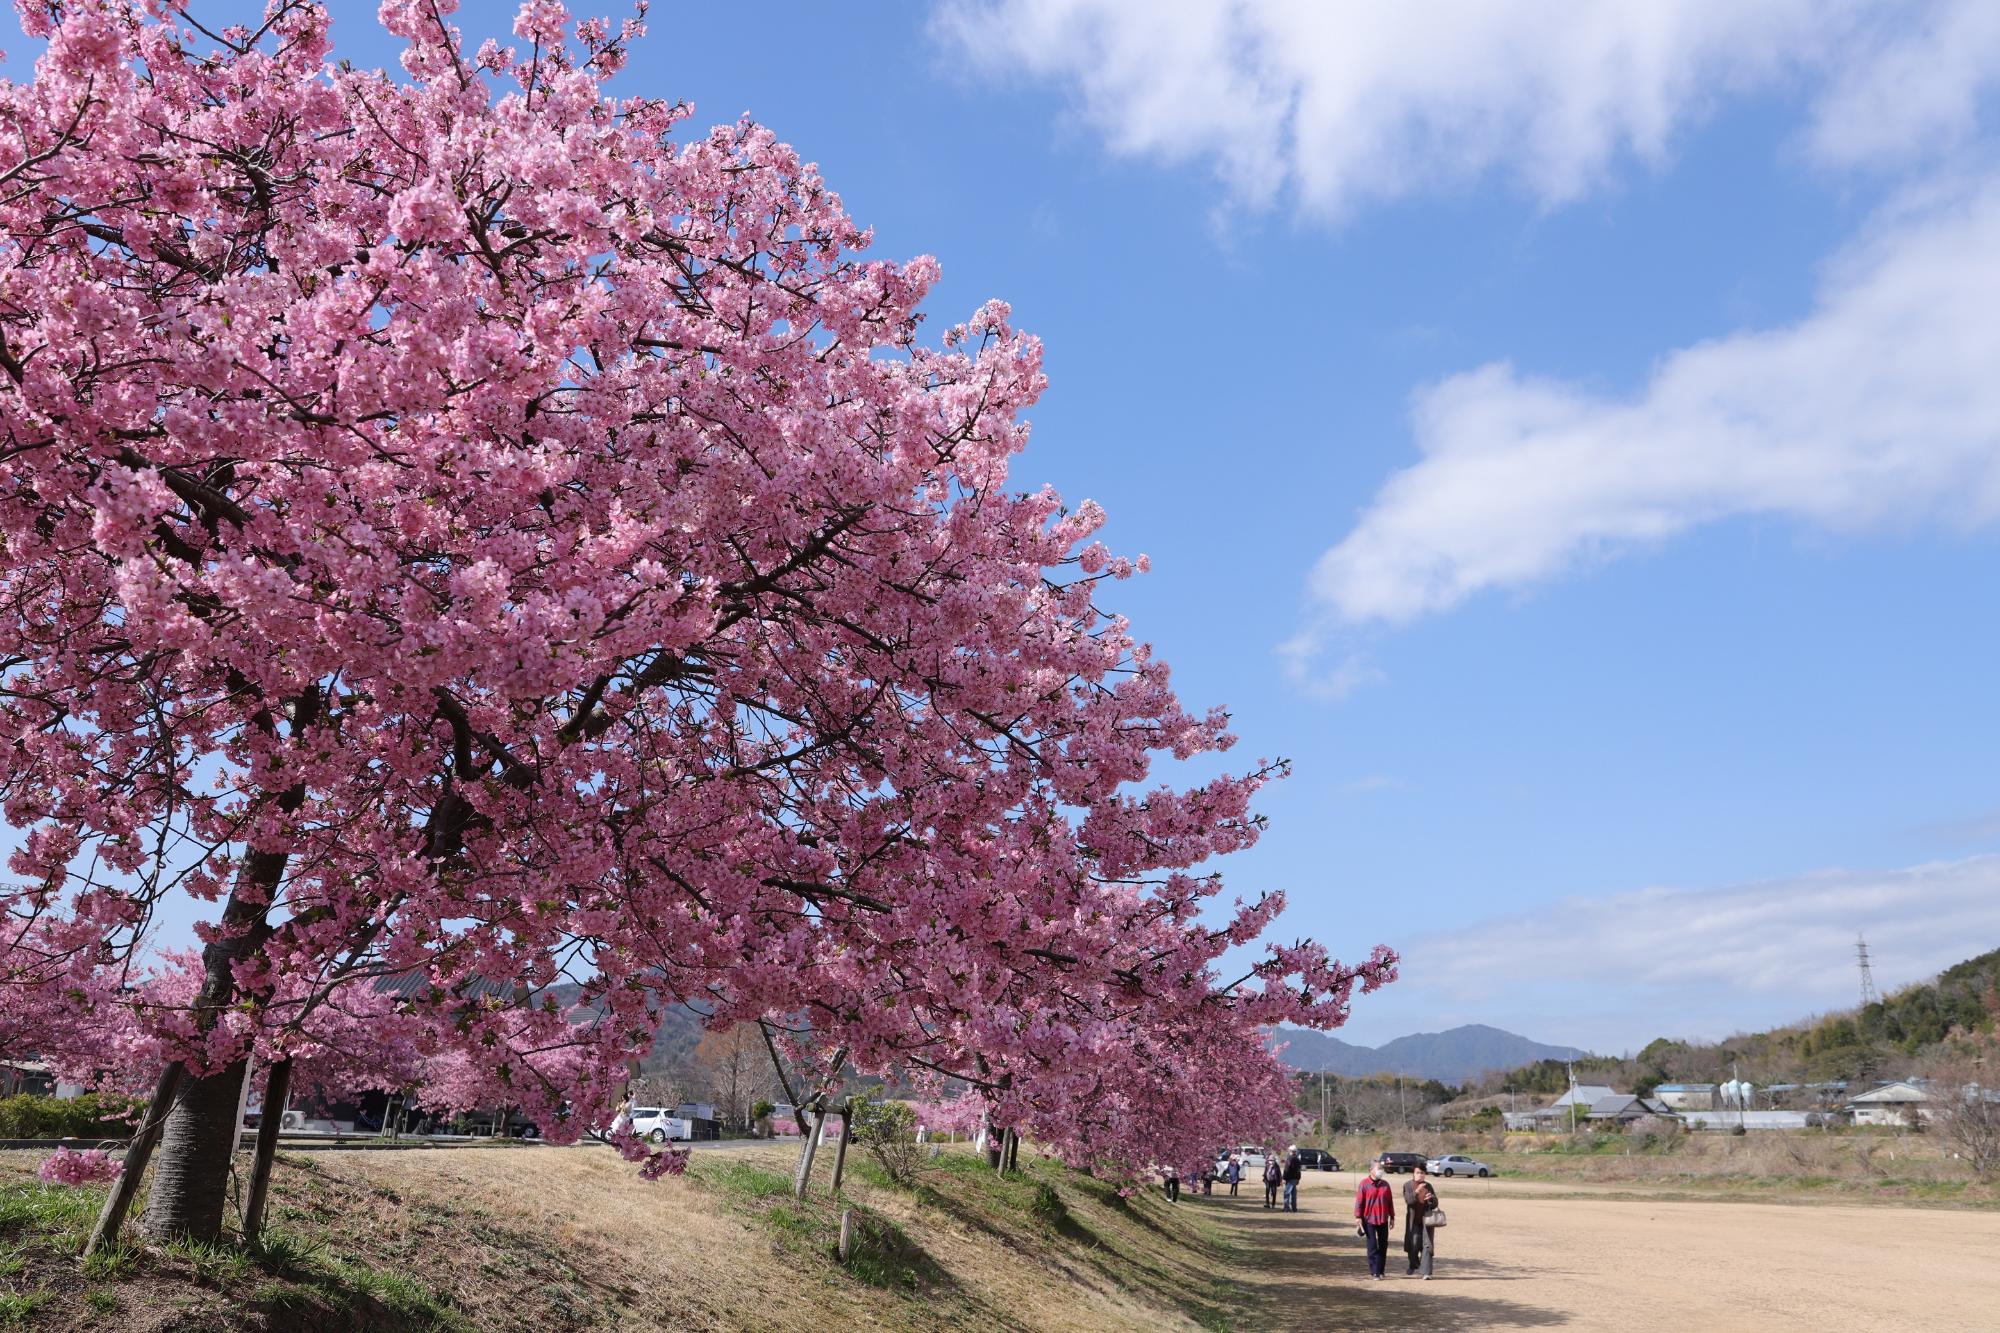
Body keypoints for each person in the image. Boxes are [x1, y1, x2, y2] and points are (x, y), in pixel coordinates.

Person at [1354, 1160, 1396, 1280]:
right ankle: (1374, 1272)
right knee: (1372, 1246)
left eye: (1381, 1168)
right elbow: (1359, 1202)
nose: (1380, 1171)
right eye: (1378, 1168)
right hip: (1369, 1219)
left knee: (1383, 1245)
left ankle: (1381, 1270)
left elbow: (1390, 1202)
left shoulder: (1385, 1185)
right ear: (1371, 1170)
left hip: (1383, 1218)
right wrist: (1358, 1217)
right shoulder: (1364, 1184)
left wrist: (1392, 1217)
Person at [1402, 1164, 1440, 1279]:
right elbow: (1409, 1200)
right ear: (1413, 1174)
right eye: (1418, 1172)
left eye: (1422, 1173)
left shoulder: (1429, 1186)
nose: (1420, 1175)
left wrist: (1431, 1199)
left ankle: (1426, 1272)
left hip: (1426, 1222)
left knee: (1427, 1245)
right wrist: (1417, 1191)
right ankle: (1413, 1264)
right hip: (1413, 1221)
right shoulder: (1407, 1185)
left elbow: (1435, 1203)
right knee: (1413, 1244)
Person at [1281, 1144, 1303, 1212]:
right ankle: (1294, 1208)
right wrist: (1298, 1179)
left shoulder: (1289, 1159)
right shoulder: (1297, 1159)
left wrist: (1284, 1178)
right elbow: (1299, 1170)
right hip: (1295, 1179)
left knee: (1287, 1193)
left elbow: (1286, 1170)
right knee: (1293, 1194)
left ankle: (1286, 1208)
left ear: (1290, 1151)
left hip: (1290, 1179)